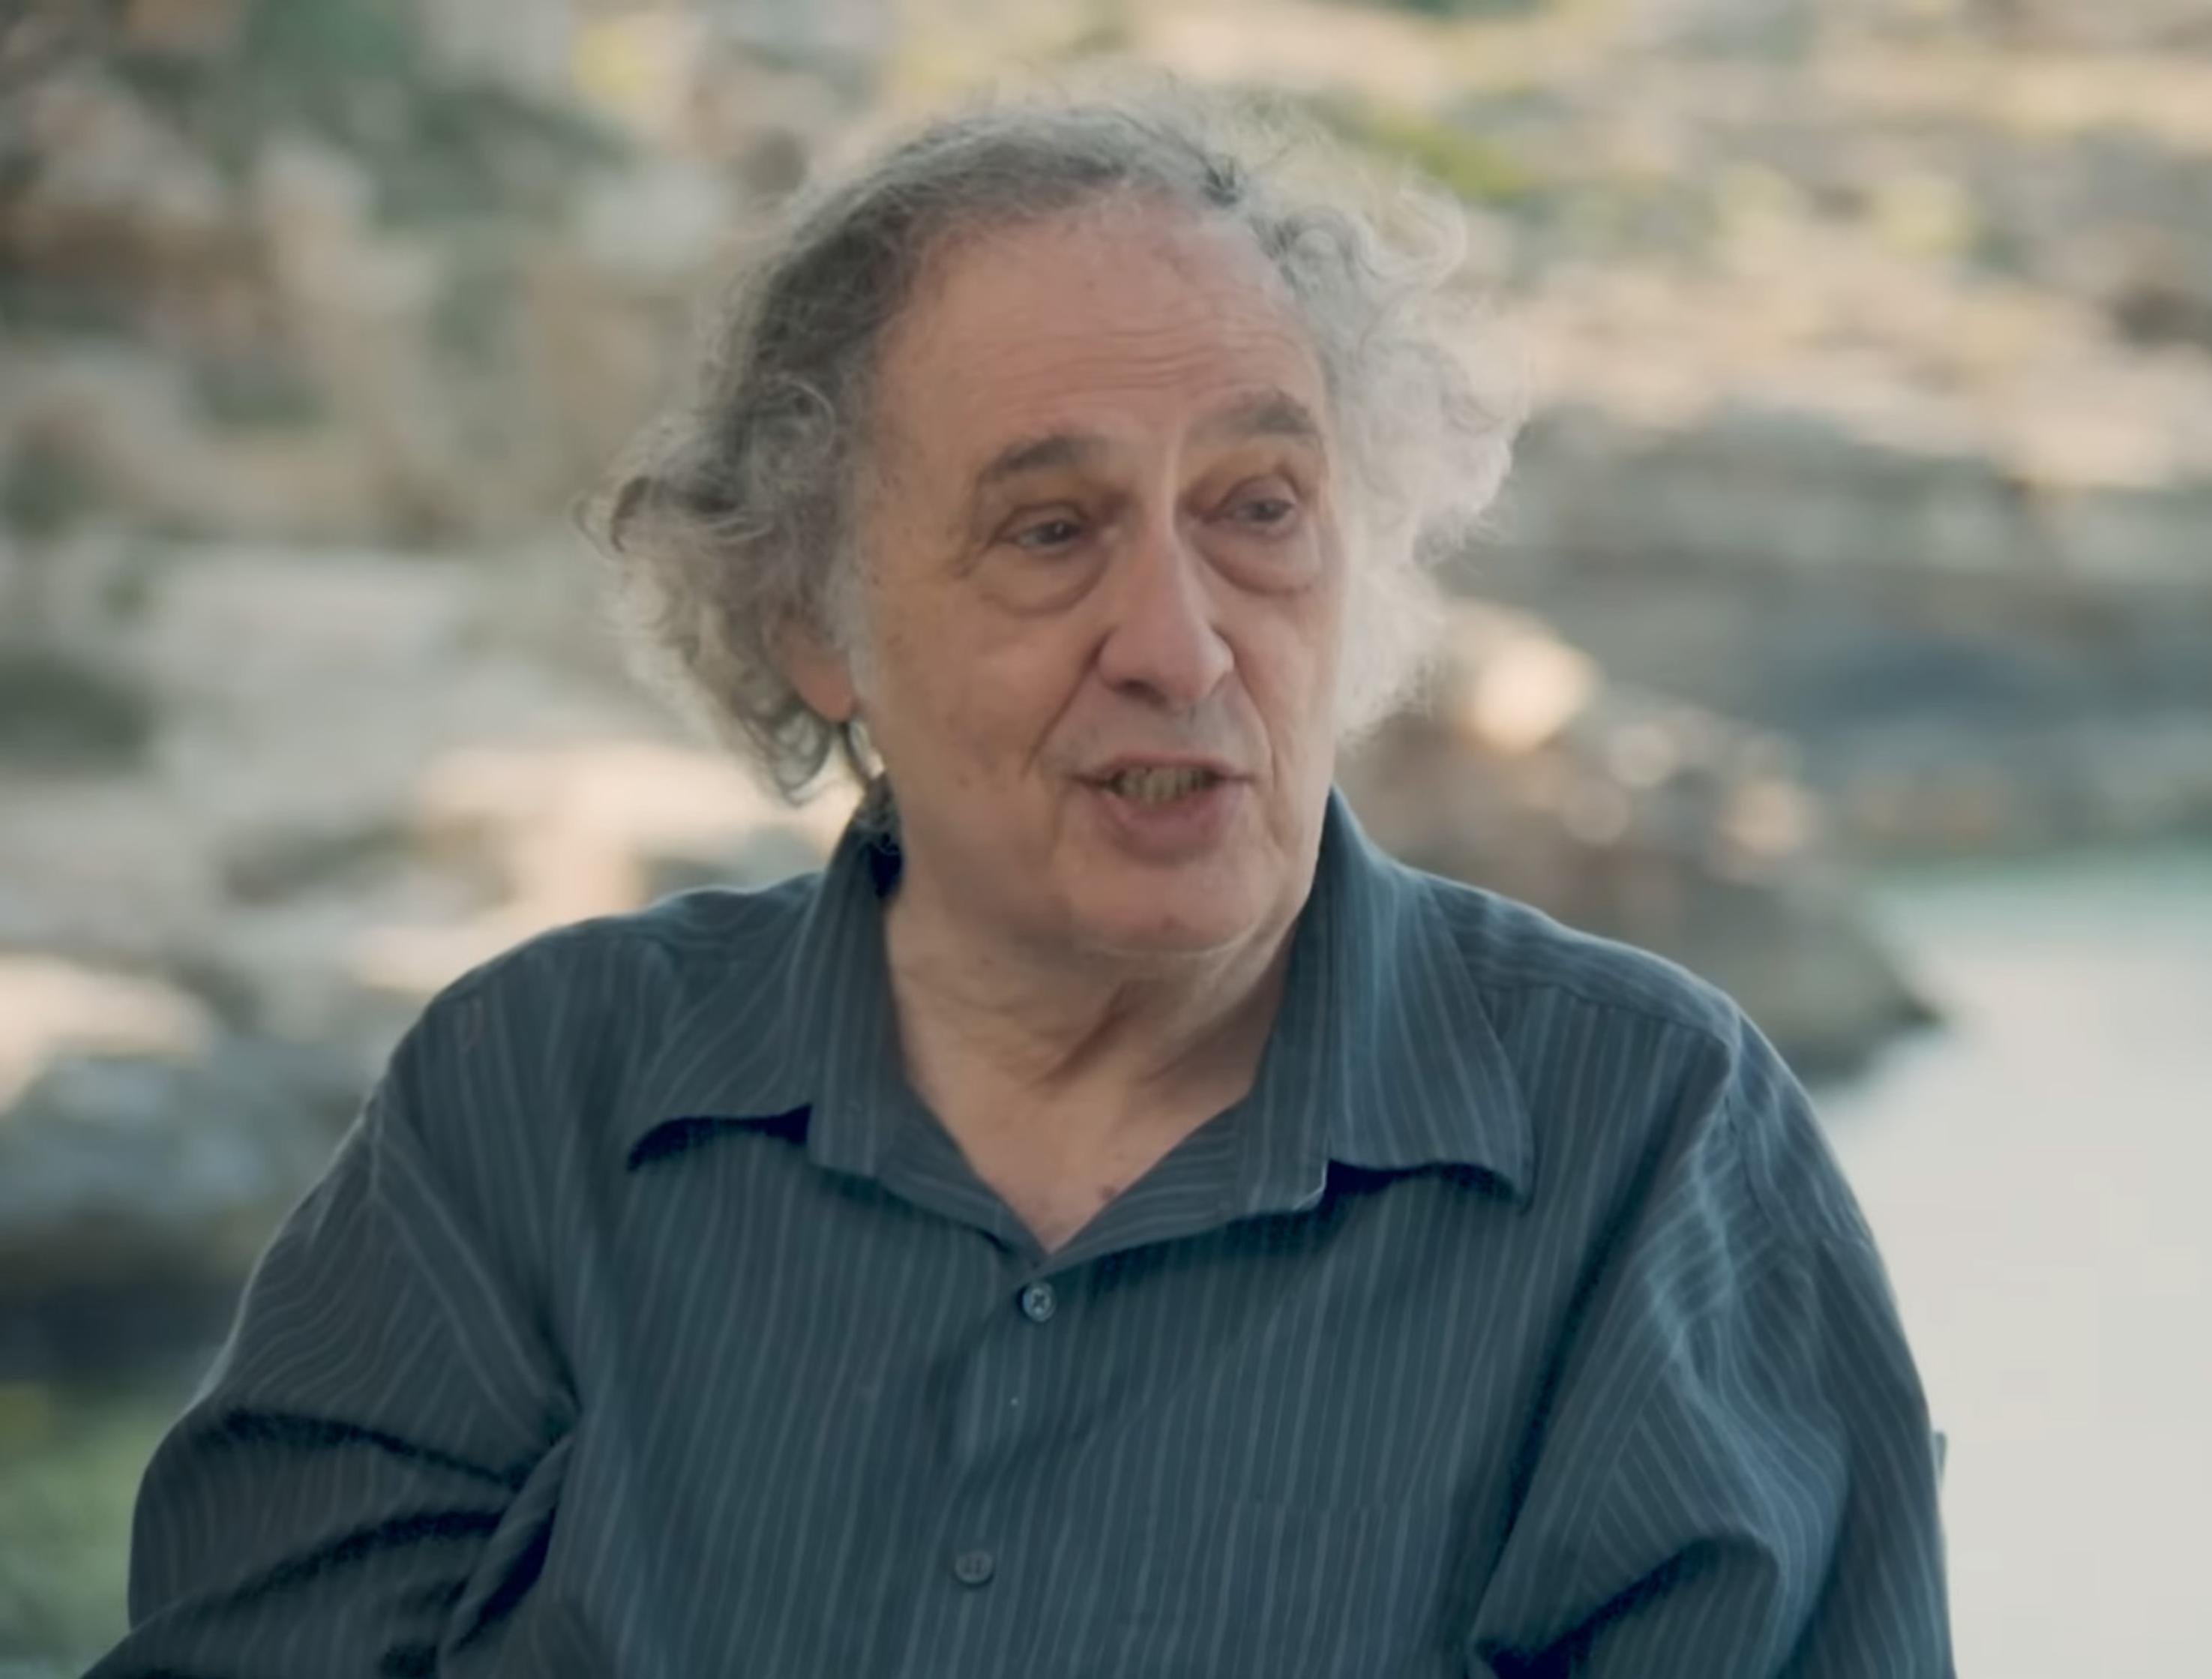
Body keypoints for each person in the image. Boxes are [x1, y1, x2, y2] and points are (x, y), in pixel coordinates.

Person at [94, 85, 1951, 1678]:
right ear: (810, 619)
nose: (1181, 641)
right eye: (1050, 529)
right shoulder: (535, 1101)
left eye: (1259, 510)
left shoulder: (1650, 1140)